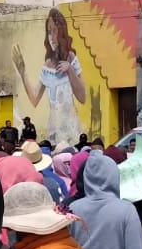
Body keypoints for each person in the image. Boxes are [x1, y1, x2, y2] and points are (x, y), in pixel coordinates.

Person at [12, 9, 87, 147]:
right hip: (53, 132)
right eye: (49, 31)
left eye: (55, 30)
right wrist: (23, 73)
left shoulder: (71, 57)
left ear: (62, 32)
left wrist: (70, 70)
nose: (52, 36)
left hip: (71, 132)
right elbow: (34, 99)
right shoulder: (47, 65)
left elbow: (82, 97)